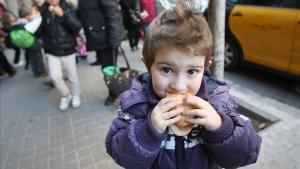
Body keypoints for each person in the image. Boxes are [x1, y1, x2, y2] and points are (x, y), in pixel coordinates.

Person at [105, 1, 262, 169]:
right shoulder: (135, 103)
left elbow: (247, 154)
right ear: (148, 65)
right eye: (166, 69)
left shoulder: (217, 100)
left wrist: (221, 127)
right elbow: (119, 154)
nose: (179, 86)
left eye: (192, 71)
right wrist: (148, 131)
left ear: (205, 67)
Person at [78, 0, 125, 105]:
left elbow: (113, 14)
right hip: (98, 37)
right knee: (106, 69)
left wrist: (114, 39)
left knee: (109, 70)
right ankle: (115, 92)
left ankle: (115, 94)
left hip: (108, 39)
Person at [38, 0, 82, 111]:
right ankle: (66, 94)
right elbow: (40, 31)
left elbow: (77, 26)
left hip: (67, 49)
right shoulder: (43, 10)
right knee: (54, 77)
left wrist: (63, 15)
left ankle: (75, 94)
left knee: (72, 76)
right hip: (51, 50)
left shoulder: (67, 7)